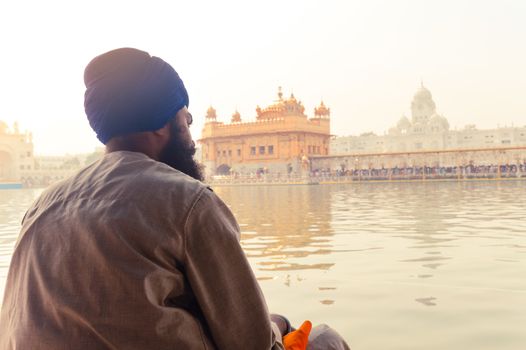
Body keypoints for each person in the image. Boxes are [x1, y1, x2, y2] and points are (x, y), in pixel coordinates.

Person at [0, 48, 349, 349]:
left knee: (275, 322)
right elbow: (254, 345)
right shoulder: (187, 201)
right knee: (323, 338)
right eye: (186, 119)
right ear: (161, 124)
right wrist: (277, 327)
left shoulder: (42, 206)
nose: (193, 139)